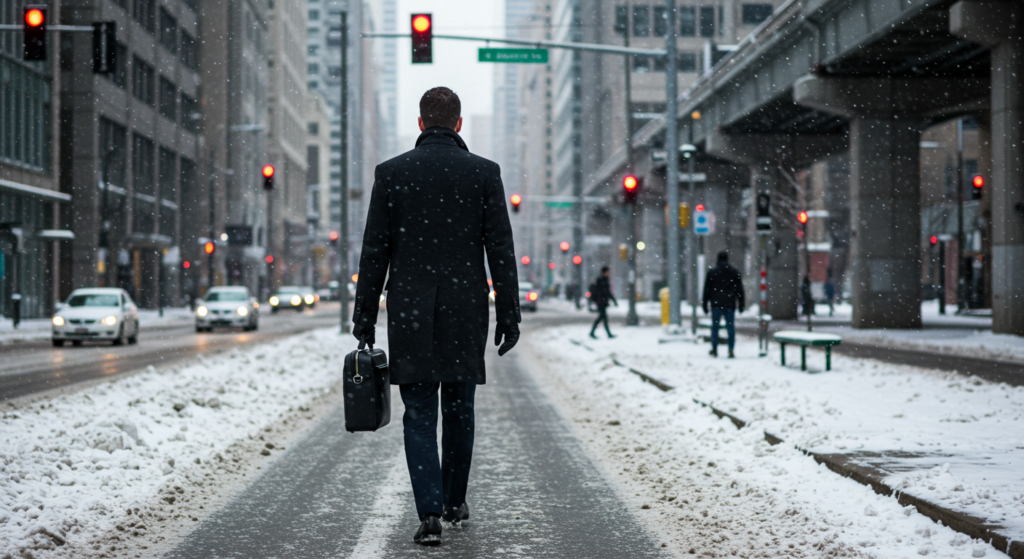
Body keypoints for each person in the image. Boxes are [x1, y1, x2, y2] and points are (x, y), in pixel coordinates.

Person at [351, 87, 520, 546]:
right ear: (459, 124)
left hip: (410, 310)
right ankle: (453, 501)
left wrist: (364, 316)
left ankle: (428, 513)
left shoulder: (392, 174)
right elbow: (500, 250)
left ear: (421, 123)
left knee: (420, 413)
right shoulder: (484, 174)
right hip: (466, 311)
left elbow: (374, 253)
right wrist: (508, 312)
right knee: (460, 409)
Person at [701, 251, 744, 358]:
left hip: (716, 304)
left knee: (715, 328)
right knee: (730, 328)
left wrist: (705, 304)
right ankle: (731, 349)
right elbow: (740, 290)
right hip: (729, 304)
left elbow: (706, 290)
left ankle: (714, 349)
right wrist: (741, 303)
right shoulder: (734, 272)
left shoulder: (712, 272)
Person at [589, 267, 618, 339]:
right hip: (601, 302)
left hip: (601, 301)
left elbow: (606, 292)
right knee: (602, 318)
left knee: (602, 318)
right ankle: (605, 333)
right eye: (608, 272)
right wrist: (613, 300)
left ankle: (594, 332)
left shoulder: (602, 280)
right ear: (605, 272)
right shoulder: (603, 280)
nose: (609, 273)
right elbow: (607, 292)